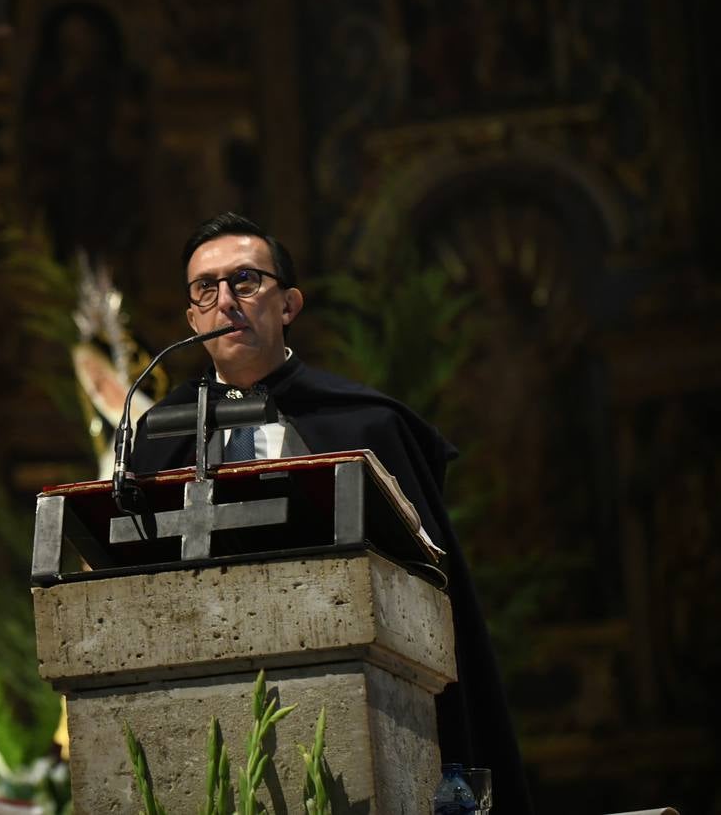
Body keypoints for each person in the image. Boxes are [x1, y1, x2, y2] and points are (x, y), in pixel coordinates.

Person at [129, 212, 534, 814]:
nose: (225, 302)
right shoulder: (160, 439)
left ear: (288, 303)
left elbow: (426, 589)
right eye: (205, 289)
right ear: (191, 318)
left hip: (353, 696)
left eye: (245, 281)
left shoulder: (364, 425)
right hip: (201, 709)